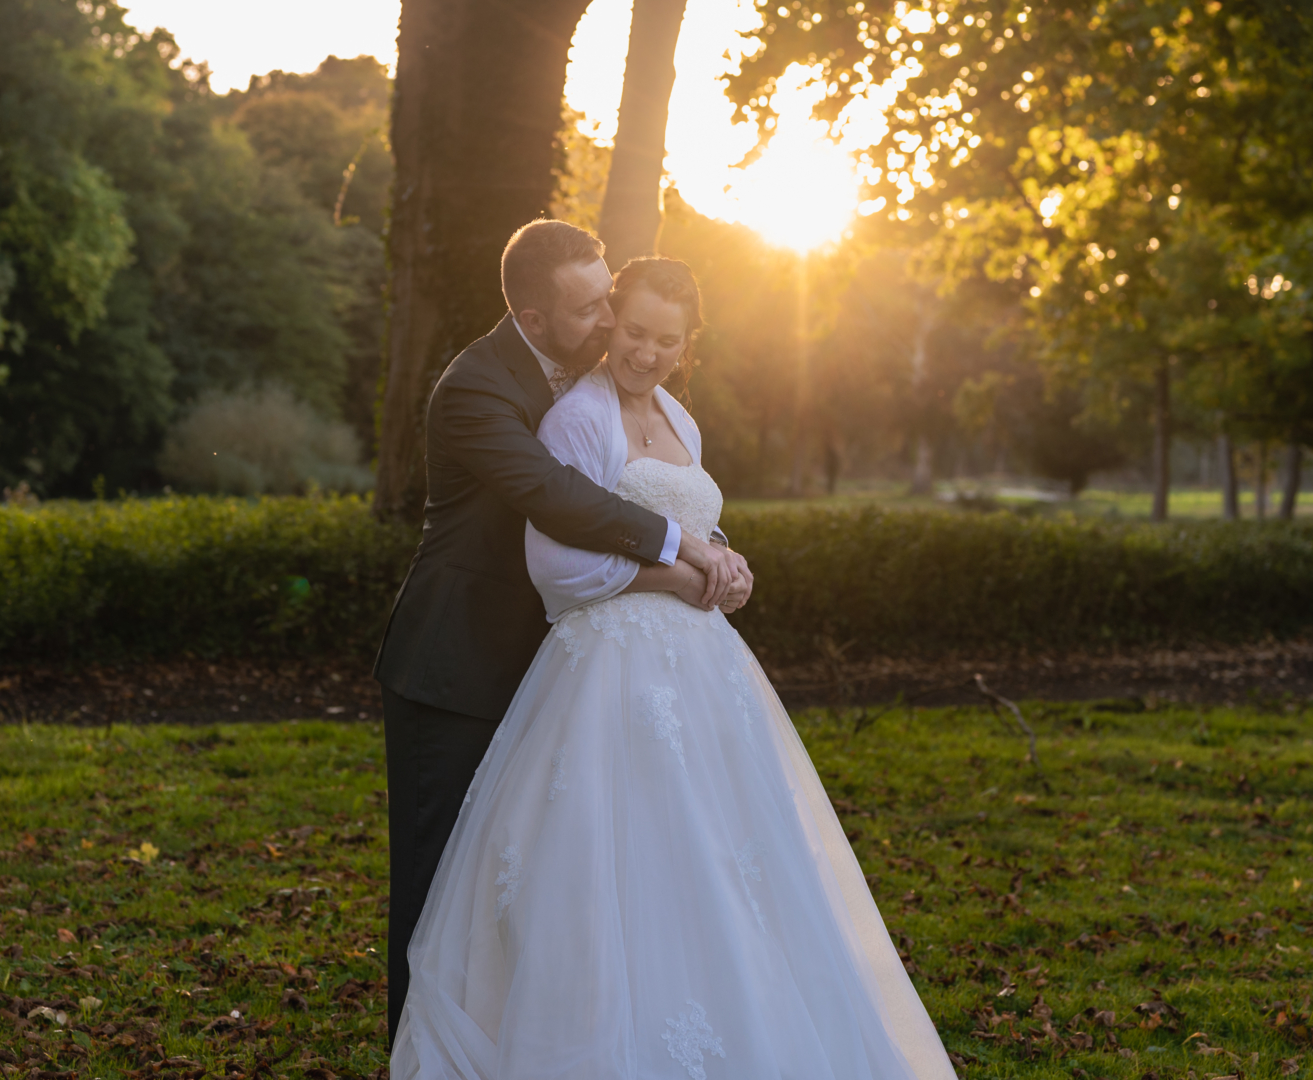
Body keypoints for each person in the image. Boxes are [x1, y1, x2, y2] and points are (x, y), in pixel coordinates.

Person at [390, 258, 958, 1080]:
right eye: (633, 332)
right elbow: (555, 568)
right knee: (613, 859)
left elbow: (693, 520)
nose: (646, 353)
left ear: (688, 344)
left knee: (727, 859)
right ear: (610, 324)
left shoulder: (684, 424)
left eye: (666, 339)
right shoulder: (575, 419)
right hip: (608, 675)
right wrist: (688, 574)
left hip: (703, 674)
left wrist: (727, 563)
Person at [373, 221, 753, 1046]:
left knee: (538, 878)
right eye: (592, 309)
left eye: (607, 294)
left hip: (557, 662)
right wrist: (685, 550)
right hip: (457, 666)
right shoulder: (476, 387)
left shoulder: (604, 379)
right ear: (535, 320)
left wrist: (714, 548)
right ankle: (422, 1050)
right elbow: (554, 495)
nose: (611, 321)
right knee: (442, 880)